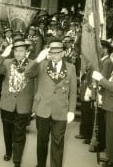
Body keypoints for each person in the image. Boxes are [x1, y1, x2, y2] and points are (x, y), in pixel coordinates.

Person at [25, 39, 77, 167]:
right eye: (51, 53)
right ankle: (40, 164)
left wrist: (71, 110)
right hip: (43, 109)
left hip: (61, 110)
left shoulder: (70, 68)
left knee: (58, 142)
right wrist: (37, 60)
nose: (53, 55)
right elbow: (27, 73)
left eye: (57, 53)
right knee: (42, 141)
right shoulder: (42, 65)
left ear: (63, 53)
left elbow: (73, 91)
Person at [0, 39, 35, 167]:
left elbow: (36, 84)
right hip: (7, 103)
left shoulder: (33, 64)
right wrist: (3, 54)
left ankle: (17, 159)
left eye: (21, 51)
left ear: (27, 52)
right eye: (16, 51)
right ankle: (8, 151)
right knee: (7, 130)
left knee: (19, 132)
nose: (18, 53)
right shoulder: (7, 62)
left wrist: (34, 105)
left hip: (24, 105)